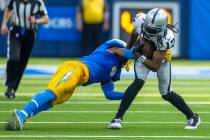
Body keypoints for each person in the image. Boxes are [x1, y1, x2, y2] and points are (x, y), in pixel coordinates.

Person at [5, 39, 137, 131]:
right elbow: (130, 53)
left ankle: (24, 115)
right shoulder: (113, 48)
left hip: (77, 81)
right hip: (76, 69)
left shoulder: (111, 71)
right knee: (53, 91)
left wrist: (127, 95)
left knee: (52, 101)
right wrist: (141, 48)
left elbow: (109, 94)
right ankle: (21, 114)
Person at [108, 8, 201, 130]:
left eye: (154, 29)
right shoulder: (140, 21)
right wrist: (127, 51)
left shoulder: (166, 38)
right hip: (144, 53)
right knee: (138, 82)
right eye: (148, 28)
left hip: (159, 60)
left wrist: (138, 56)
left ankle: (193, 117)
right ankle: (117, 118)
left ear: (161, 28)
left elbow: (155, 67)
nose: (150, 31)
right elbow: (134, 33)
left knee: (166, 93)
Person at [0, 0, 49, 98]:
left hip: (30, 34)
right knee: (14, 58)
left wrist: (35, 21)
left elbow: (46, 19)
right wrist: (4, 24)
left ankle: (12, 89)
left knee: (22, 63)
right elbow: (8, 9)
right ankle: (9, 83)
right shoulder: (14, 1)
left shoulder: (38, 3)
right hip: (16, 32)